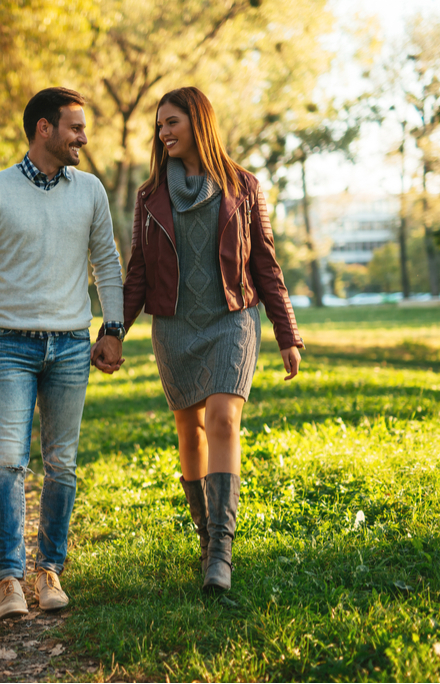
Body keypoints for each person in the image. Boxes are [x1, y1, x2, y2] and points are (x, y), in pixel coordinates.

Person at [95, 86, 303, 593]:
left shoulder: (245, 187)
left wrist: (286, 333)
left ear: (198, 123)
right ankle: (206, 540)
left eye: (172, 123)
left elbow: (265, 265)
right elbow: (138, 276)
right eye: (160, 125)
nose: (163, 132)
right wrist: (114, 332)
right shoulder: (149, 197)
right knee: (189, 432)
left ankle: (222, 554)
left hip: (231, 319)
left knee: (223, 421)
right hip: (174, 327)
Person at [0, 87, 125, 618]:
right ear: (44, 129)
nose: (83, 137)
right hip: (10, 346)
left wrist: (112, 327)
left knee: (61, 464)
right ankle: (12, 579)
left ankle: (50, 572)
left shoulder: (89, 191)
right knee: (10, 463)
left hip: (69, 344)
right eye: (75, 127)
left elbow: (107, 262)